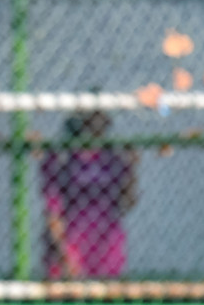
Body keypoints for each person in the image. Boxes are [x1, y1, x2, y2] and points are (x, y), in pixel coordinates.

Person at [41, 110, 138, 279]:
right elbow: (53, 213)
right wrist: (66, 258)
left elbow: (128, 203)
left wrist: (131, 170)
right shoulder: (62, 158)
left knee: (107, 299)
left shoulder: (112, 158)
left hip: (107, 249)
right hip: (72, 245)